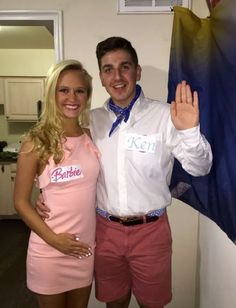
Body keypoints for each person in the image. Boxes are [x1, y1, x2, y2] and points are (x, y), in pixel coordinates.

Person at [37, 37, 213, 308]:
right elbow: (65, 165)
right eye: (108, 69)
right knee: (114, 302)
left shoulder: (166, 116)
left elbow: (200, 168)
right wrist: (45, 196)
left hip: (151, 232)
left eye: (124, 67)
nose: (117, 76)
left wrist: (189, 131)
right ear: (101, 77)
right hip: (104, 231)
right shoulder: (88, 121)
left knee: (152, 304)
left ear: (137, 71)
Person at [14, 59, 100, 308]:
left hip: (84, 249)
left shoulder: (91, 136)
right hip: (49, 251)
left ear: (87, 96)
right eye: (63, 90)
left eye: (79, 90)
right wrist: (54, 240)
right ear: (52, 93)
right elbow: (20, 202)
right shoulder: (35, 141)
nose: (71, 97)